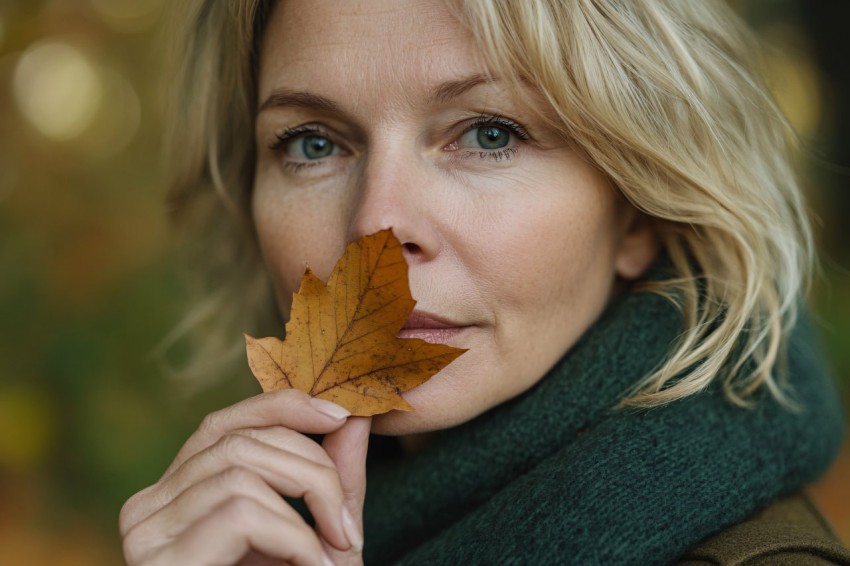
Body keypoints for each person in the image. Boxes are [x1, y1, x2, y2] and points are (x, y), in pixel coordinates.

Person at [120, 0, 847, 564]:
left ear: (635, 211)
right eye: (313, 143)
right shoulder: (247, 530)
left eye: (489, 134)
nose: (377, 227)